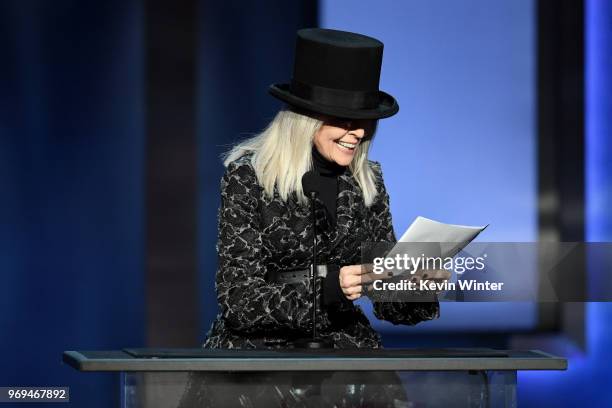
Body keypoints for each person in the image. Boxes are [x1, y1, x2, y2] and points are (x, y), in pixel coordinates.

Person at [179, 28, 448, 408]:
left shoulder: (367, 181)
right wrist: (330, 289)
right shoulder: (248, 177)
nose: (357, 133)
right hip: (255, 369)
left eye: (365, 120)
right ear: (305, 118)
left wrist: (416, 284)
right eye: (344, 119)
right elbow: (238, 300)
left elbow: (387, 301)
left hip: (346, 366)